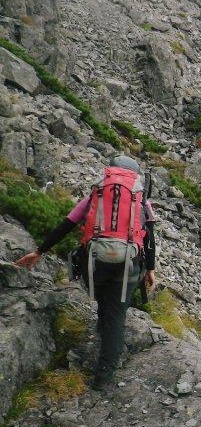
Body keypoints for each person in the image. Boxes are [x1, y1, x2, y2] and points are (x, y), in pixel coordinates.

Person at [16, 155, 158, 389]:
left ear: (110, 171)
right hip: (129, 263)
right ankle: (104, 376)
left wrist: (39, 251)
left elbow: (67, 224)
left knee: (103, 299)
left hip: (96, 260)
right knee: (116, 313)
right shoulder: (141, 200)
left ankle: (103, 327)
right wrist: (150, 269)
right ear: (135, 175)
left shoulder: (97, 194)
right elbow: (149, 238)